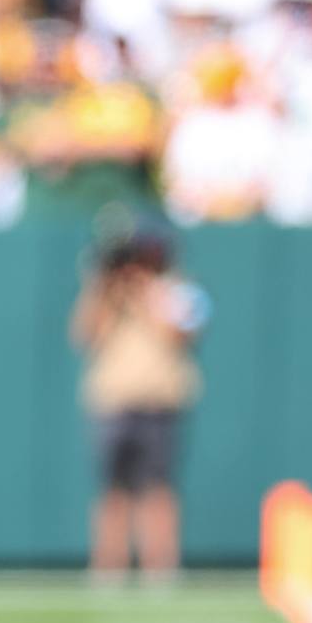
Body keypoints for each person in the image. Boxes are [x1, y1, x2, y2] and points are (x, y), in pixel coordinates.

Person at [69, 230, 209, 578]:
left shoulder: (176, 291)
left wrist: (150, 298)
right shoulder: (106, 294)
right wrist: (102, 288)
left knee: (158, 487)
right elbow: (83, 336)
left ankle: (160, 564)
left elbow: (184, 334)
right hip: (114, 401)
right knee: (112, 488)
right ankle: (108, 564)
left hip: (159, 400)